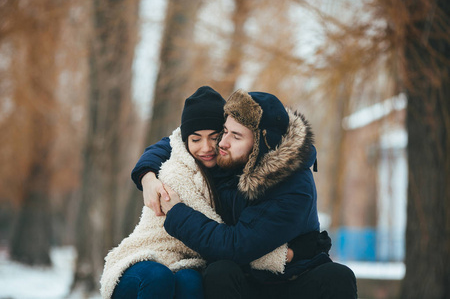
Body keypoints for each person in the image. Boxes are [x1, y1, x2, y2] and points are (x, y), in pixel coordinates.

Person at [133, 89, 357, 298]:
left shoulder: (295, 187)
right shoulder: (231, 158)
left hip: (292, 279)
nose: (221, 143)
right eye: (225, 131)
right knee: (220, 271)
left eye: (236, 136)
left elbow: (234, 246)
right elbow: (175, 141)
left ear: (262, 144)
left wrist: (177, 212)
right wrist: (147, 176)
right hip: (248, 278)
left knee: (338, 276)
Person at [100, 86, 289, 299]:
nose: (206, 148)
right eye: (196, 139)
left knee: (191, 281)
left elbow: (233, 234)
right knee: (158, 276)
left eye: (214, 137)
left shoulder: (230, 173)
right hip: (146, 257)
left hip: (185, 261)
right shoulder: (177, 172)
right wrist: (281, 256)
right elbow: (222, 234)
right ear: (185, 140)